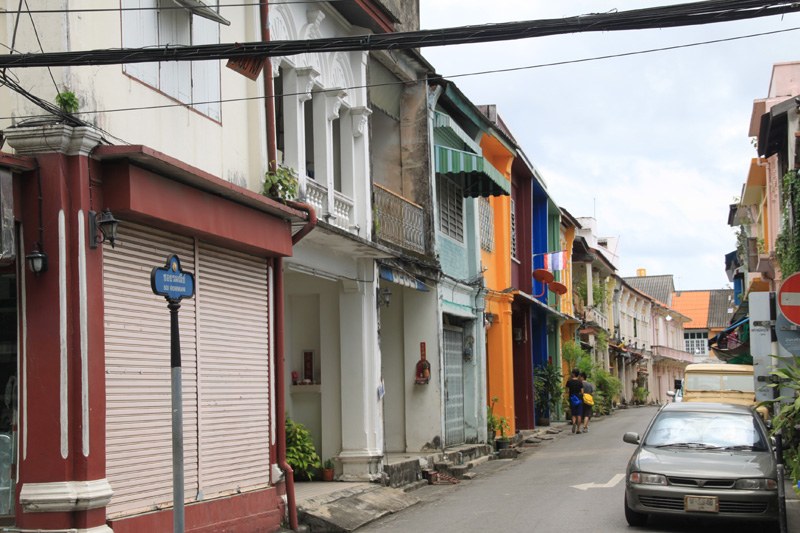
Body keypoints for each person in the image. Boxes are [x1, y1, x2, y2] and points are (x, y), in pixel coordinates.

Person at [565, 368, 583, 434]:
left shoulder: (569, 381)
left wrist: (570, 392)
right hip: (578, 400)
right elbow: (582, 392)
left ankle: (574, 422)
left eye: (572, 373)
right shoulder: (580, 382)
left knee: (573, 413)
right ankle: (578, 429)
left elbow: (566, 390)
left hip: (572, 399)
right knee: (579, 414)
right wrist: (578, 394)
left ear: (574, 374)